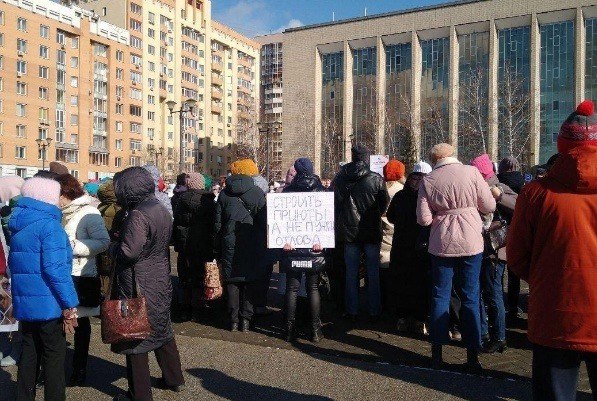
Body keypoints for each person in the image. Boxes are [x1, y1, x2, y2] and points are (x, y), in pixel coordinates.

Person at [508, 100, 597, 401]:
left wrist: (549, 281)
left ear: (561, 144)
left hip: (555, 313)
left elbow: (517, 257)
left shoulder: (535, 194)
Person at [417, 143, 496, 373]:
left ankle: (437, 355)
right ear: (452, 155)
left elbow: (423, 219)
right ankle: (472, 355)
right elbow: (489, 205)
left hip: (442, 243)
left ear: (434, 159)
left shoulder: (428, 180)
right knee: (471, 296)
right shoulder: (471, 173)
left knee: (440, 295)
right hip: (471, 241)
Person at [110, 167, 184, 401]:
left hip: (137, 281)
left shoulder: (138, 214)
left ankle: (139, 394)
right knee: (161, 328)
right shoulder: (159, 207)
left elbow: (129, 252)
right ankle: (174, 378)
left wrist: (112, 247)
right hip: (159, 277)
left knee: (135, 335)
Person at [9, 176, 79, 401]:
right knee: (54, 357)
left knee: (29, 352)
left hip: (26, 301)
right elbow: (56, 270)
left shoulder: (19, 223)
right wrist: (70, 304)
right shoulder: (50, 225)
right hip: (49, 302)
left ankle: (23, 397)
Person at [55, 174, 110, 386]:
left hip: (82, 275)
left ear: (66, 193)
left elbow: (103, 242)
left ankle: (80, 369)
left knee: (81, 323)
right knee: (60, 321)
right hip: (61, 273)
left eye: (57, 194)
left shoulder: (89, 212)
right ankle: (58, 369)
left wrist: (75, 247)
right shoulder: (59, 213)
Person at [333, 145, 390, 320]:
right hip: (371, 231)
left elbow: (334, 202)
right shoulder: (375, 178)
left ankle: (352, 309)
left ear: (353, 156)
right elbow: (384, 203)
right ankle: (374, 310)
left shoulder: (340, 178)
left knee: (351, 272)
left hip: (348, 233)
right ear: (366, 158)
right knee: (373, 272)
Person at [470, 154, 517, 354]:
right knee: (480, 291)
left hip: (495, 251)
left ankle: (498, 336)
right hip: (481, 248)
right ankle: (484, 333)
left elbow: (519, 205)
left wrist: (499, 196)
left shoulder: (499, 187)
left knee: (492, 292)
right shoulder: (478, 187)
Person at [215, 159, 267, 332]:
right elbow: (264, 222)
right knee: (249, 281)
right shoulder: (258, 193)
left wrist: (217, 246)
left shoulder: (223, 194)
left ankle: (233, 321)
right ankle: (246, 320)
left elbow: (217, 225)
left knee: (232, 282)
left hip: (229, 243)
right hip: (252, 243)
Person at [280, 158, 327, 343]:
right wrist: (322, 241)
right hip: (314, 248)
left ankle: (289, 330)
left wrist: (284, 240)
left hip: (292, 249)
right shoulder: (321, 190)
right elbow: (326, 220)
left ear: (297, 171)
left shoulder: (288, 191)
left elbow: (282, 221)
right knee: (313, 288)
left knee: (292, 288)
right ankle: (315, 330)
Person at [387, 161, 432, 334]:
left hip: (401, 245)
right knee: (420, 283)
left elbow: (391, 216)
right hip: (421, 245)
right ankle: (420, 320)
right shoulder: (427, 197)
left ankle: (402, 318)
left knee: (402, 282)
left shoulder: (400, 195)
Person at [172, 173, 216, 322]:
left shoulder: (182, 199)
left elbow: (177, 221)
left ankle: (184, 307)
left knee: (184, 275)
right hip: (204, 244)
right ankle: (198, 308)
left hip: (185, 245)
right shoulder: (209, 201)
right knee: (201, 275)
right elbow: (214, 224)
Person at [496, 156, 525, 325]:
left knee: (497, 273)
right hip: (517, 230)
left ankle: (499, 305)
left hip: (498, 231)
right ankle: (513, 307)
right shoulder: (523, 183)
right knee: (514, 273)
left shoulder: (497, 182)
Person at [379, 160, 406, 314]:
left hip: (382, 230)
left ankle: (383, 303)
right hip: (396, 232)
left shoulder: (381, 188)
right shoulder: (401, 190)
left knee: (382, 268)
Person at [97, 180, 125, 298]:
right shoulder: (117, 210)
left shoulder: (100, 207)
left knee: (104, 274)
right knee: (110, 275)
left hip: (102, 246)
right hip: (112, 245)